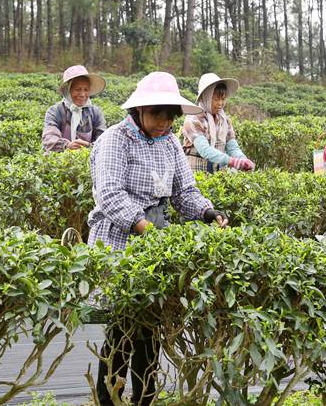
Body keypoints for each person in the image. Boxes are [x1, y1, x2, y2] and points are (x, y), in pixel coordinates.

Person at [87, 71, 228, 406]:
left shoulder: (169, 144)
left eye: (169, 116)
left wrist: (209, 213)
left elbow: (185, 192)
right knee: (122, 327)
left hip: (155, 240)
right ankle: (110, 400)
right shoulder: (113, 140)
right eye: (156, 114)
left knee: (150, 329)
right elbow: (109, 194)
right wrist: (141, 226)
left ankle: (145, 399)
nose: (164, 122)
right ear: (139, 112)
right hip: (116, 239)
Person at [181, 72, 255, 173]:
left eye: (223, 99)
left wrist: (242, 159)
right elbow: (205, 150)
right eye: (215, 99)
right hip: (196, 174)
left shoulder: (224, 120)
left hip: (218, 175)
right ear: (205, 97)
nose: (220, 103)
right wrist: (232, 161)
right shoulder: (193, 119)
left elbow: (232, 147)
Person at [43, 65, 107, 152]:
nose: (82, 94)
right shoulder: (55, 111)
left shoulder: (95, 112)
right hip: (59, 160)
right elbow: (49, 138)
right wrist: (67, 146)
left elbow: (103, 140)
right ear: (67, 90)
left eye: (86, 89)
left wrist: (88, 146)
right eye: (78, 89)